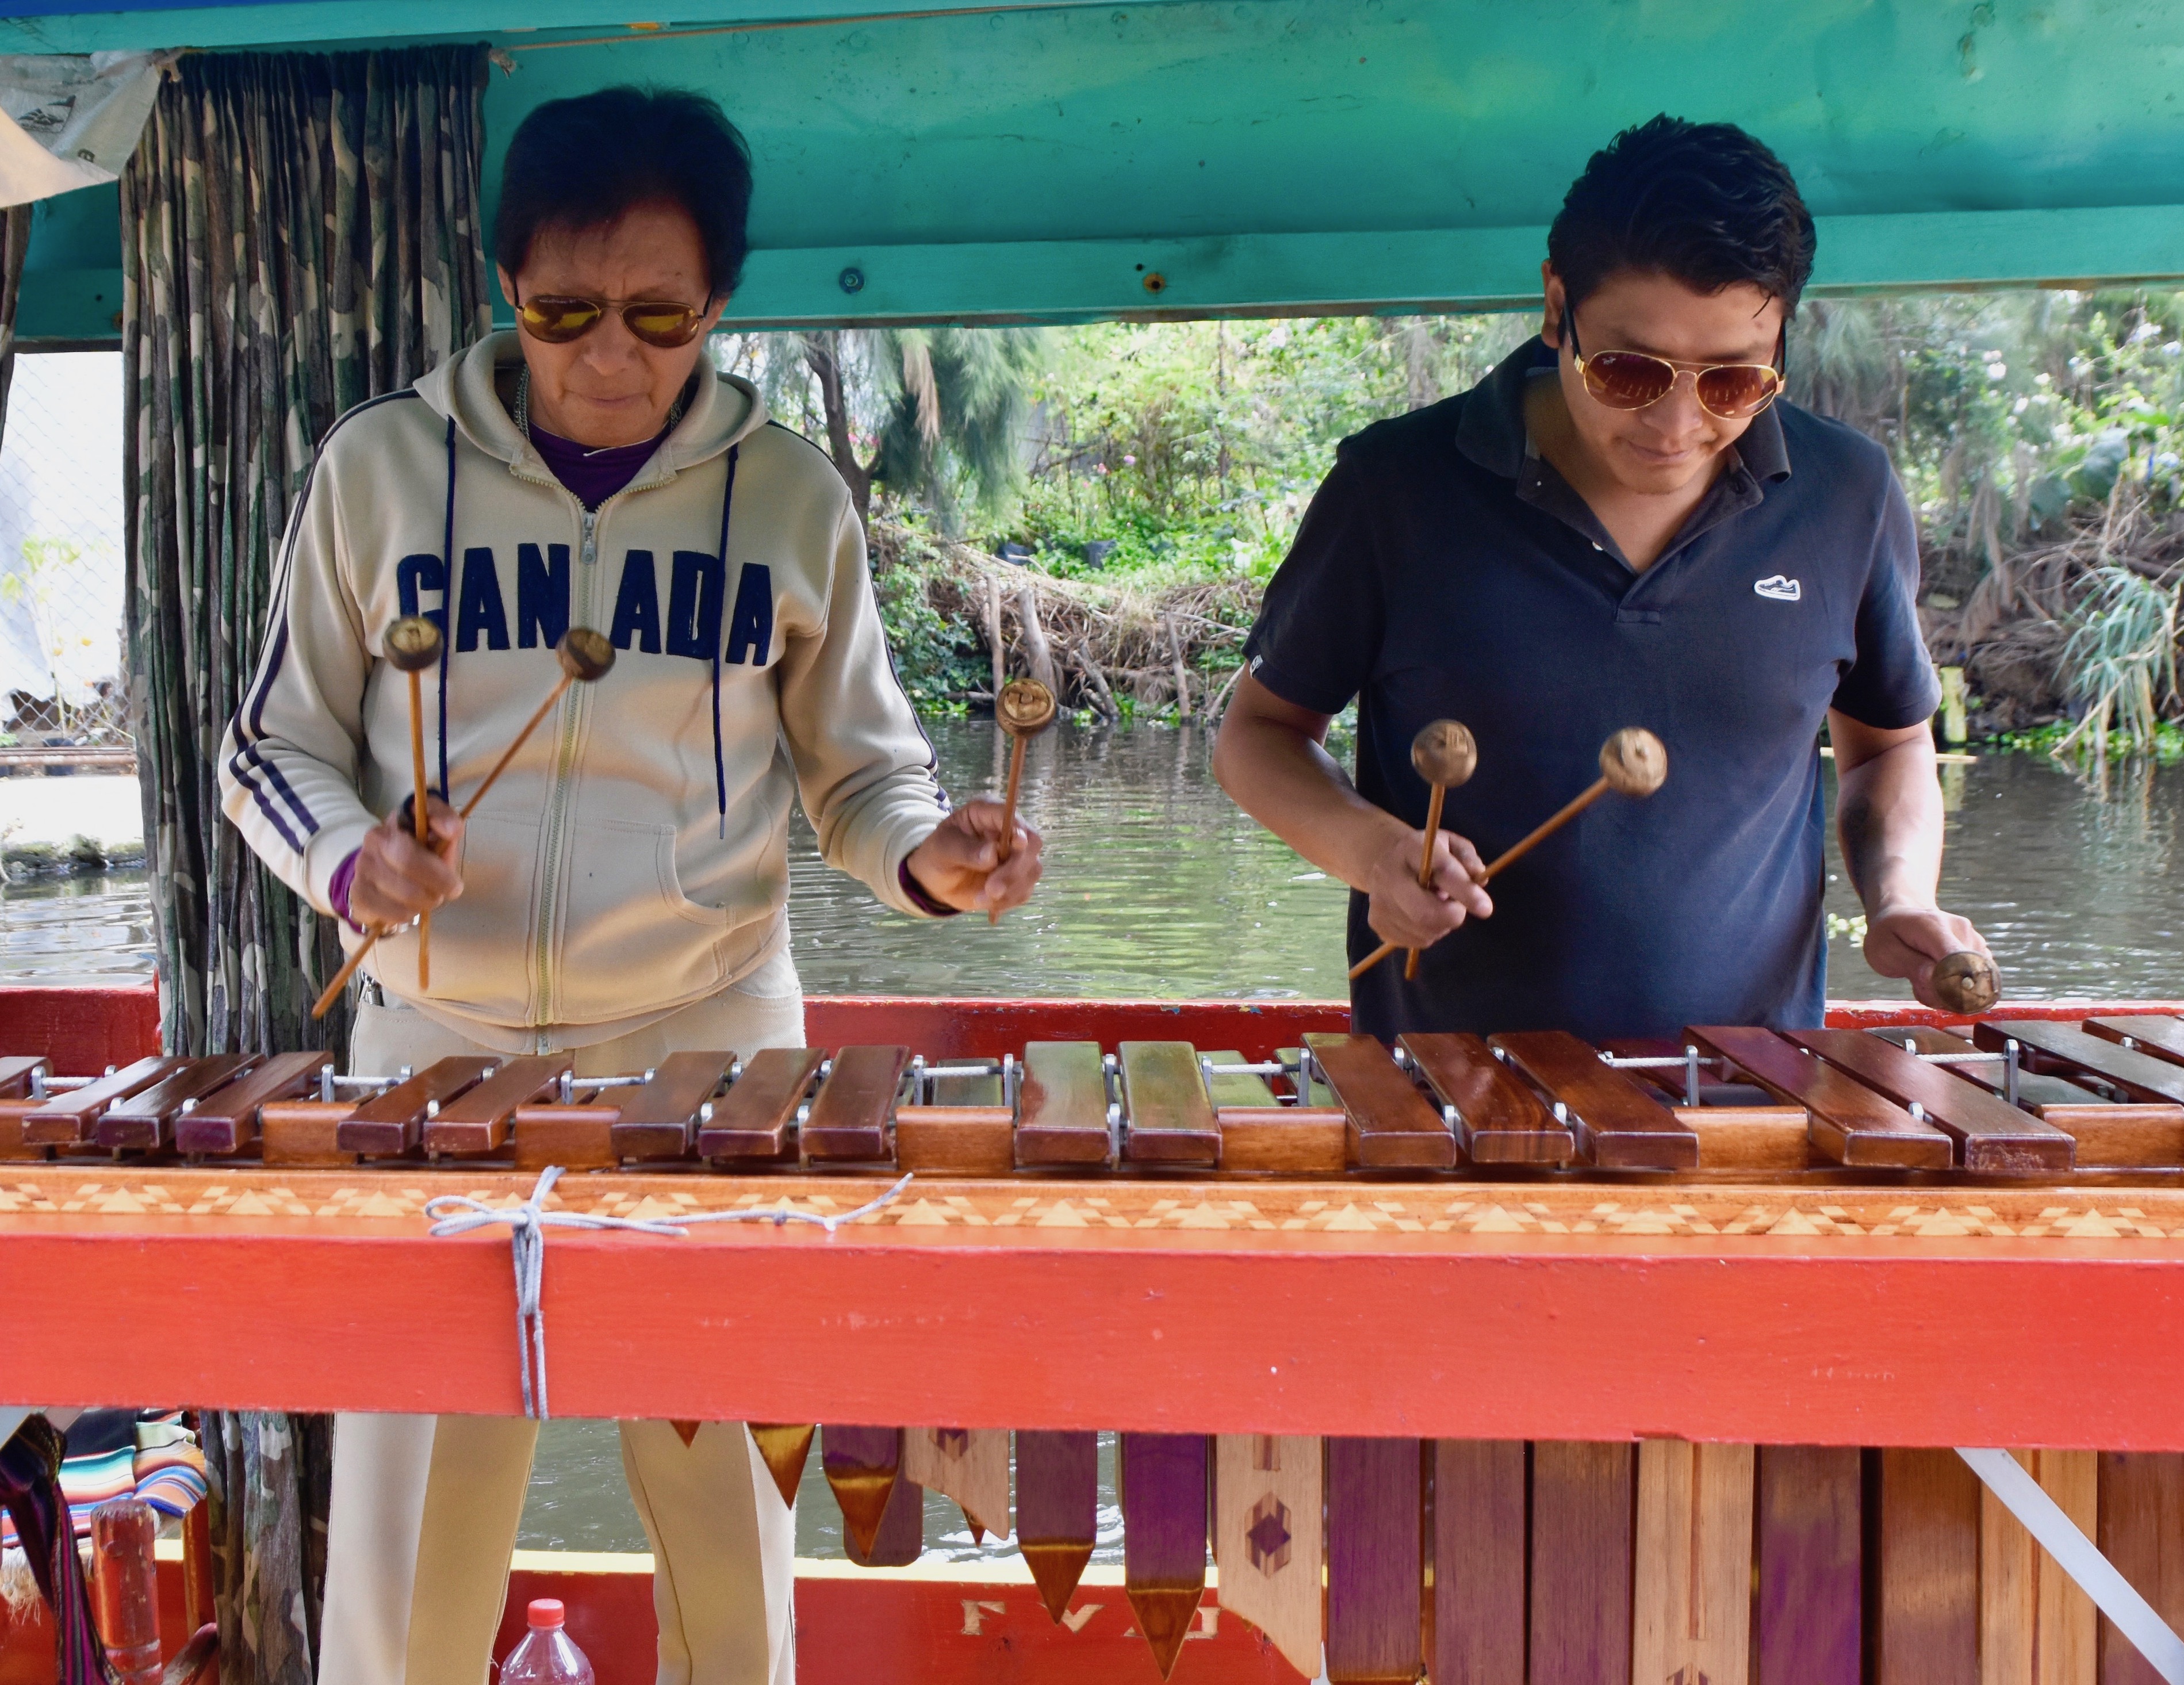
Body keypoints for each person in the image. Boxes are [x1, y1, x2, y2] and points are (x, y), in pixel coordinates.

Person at [219, 86, 1042, 1685]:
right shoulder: (377, 472)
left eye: (661, 316)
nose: (610, 356)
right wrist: (350, 856)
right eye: (563, 312)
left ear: (721, 303)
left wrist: (928, 856)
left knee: (732, 1521)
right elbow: (273, 746)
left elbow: (862, 770)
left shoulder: (790, 499)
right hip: (434, 1052)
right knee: (404, 1546)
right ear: (501, 284)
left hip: (714, 1052)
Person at [1214, 115, 1988, 1039]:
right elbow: (1256, 737)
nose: (1675, 423)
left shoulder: (1846, 497)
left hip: (1753, 1098)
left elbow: (1891, 747)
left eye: (1733, 382)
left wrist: (1902, 893)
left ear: (1782, 342)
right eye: (1628, 369)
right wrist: (1373, 850)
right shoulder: (1396, 489)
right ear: (1555, 307)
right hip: (1452, 1098)